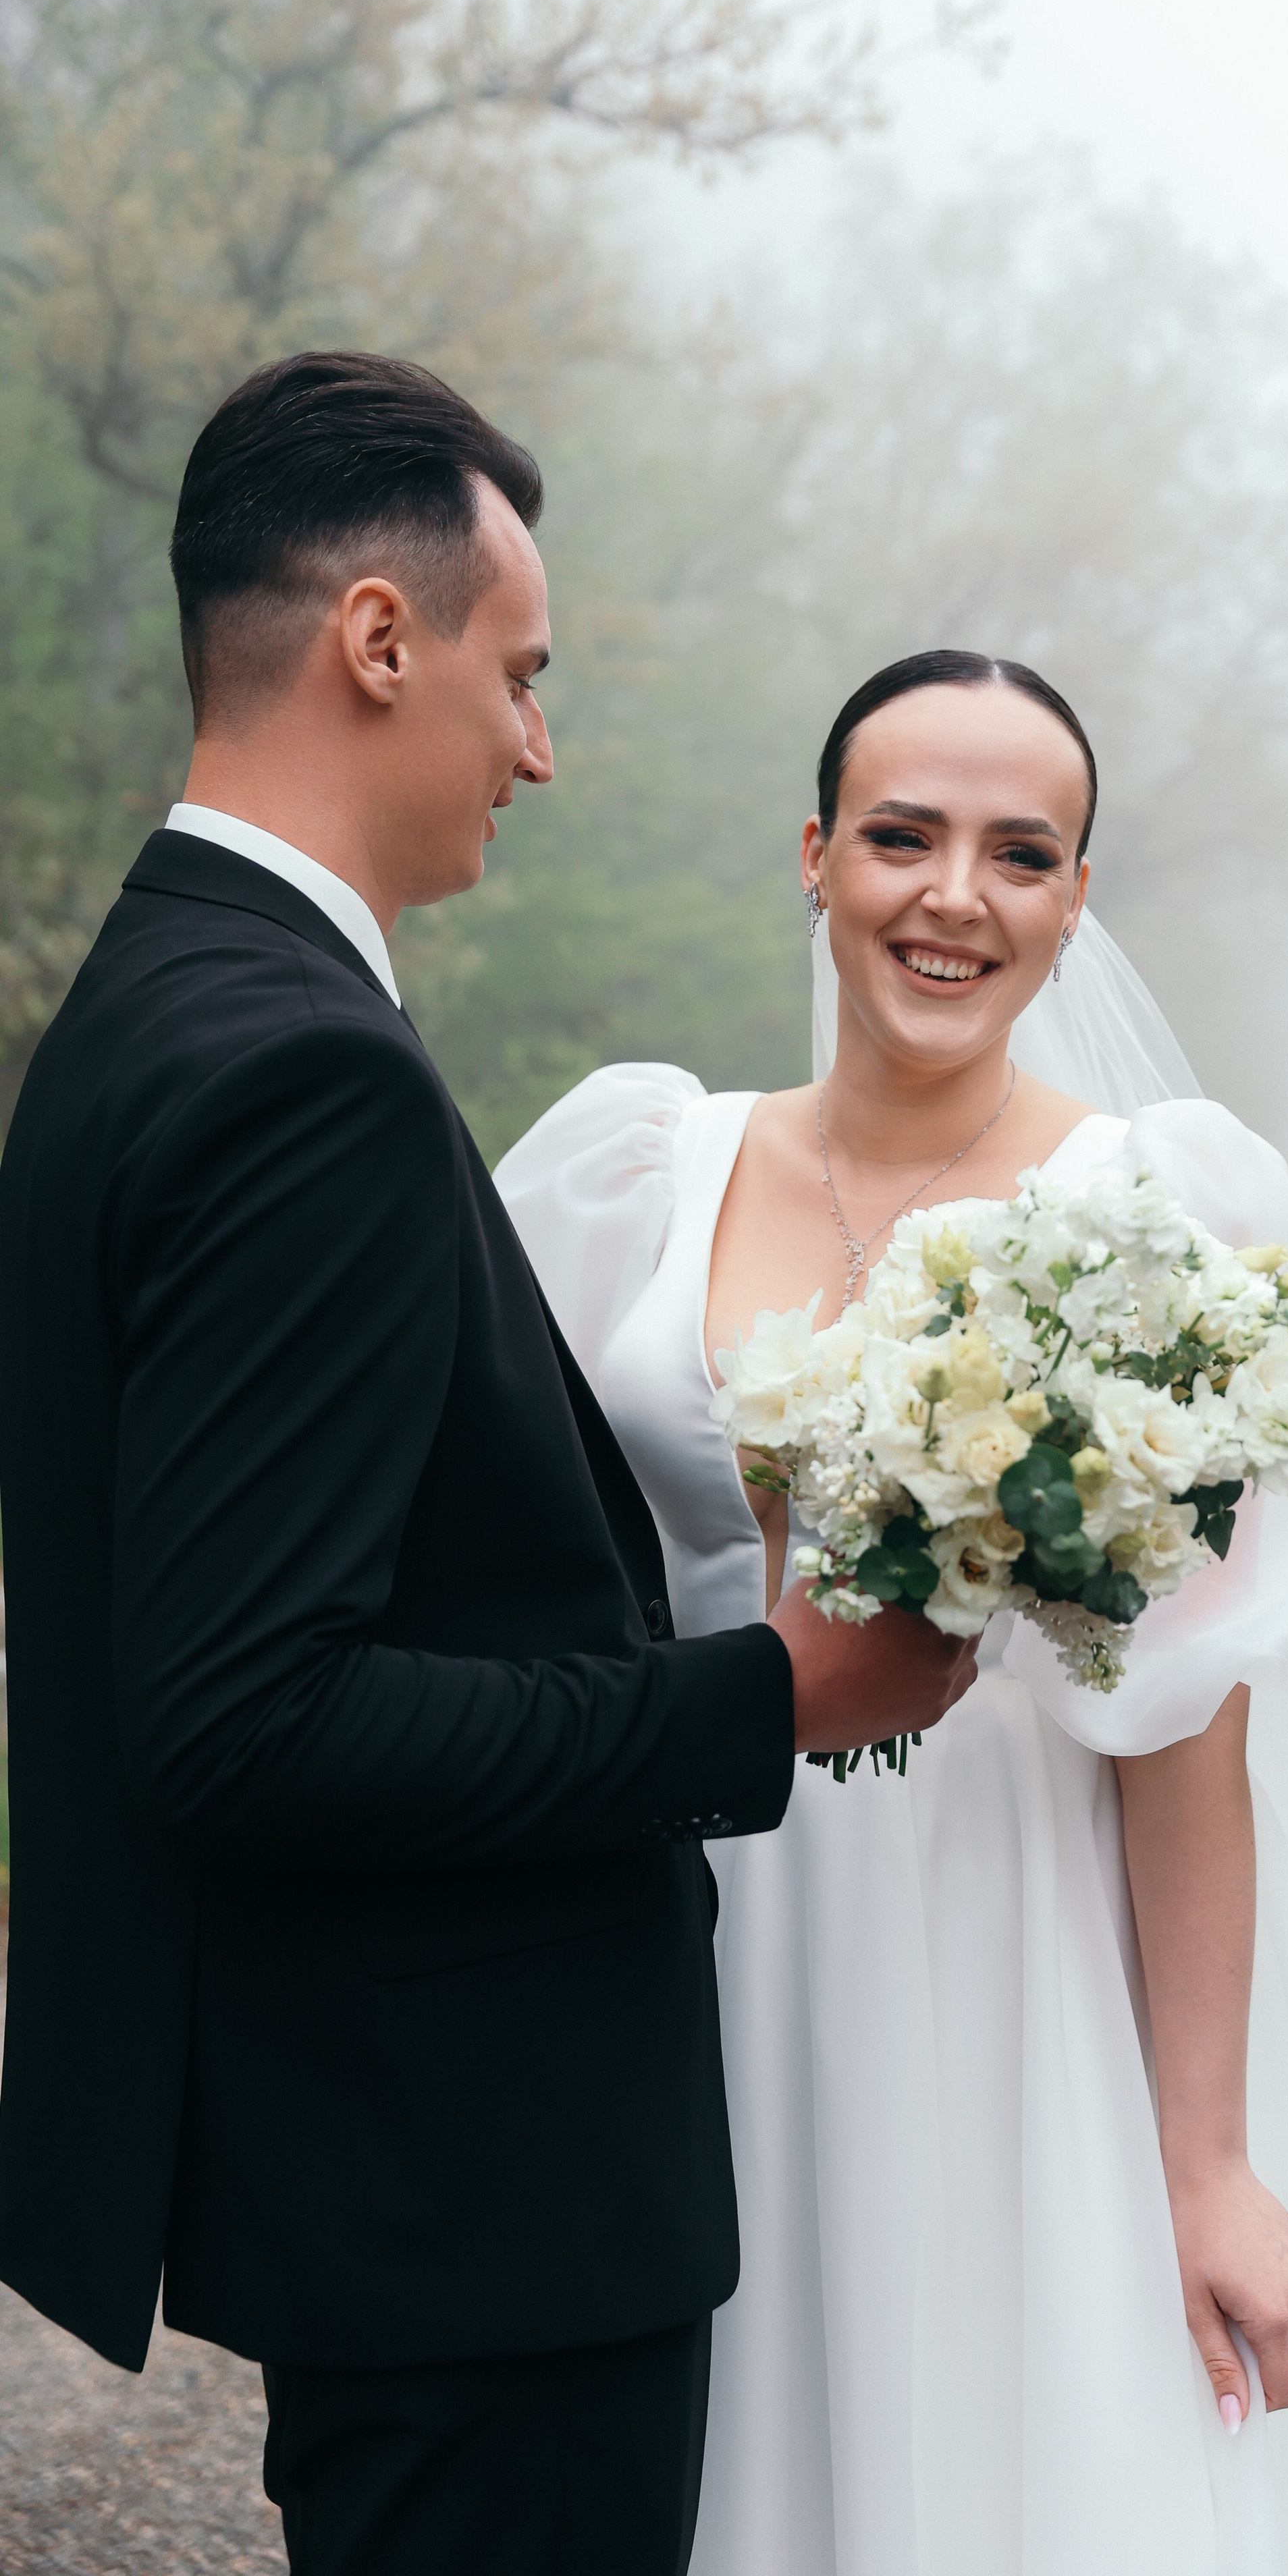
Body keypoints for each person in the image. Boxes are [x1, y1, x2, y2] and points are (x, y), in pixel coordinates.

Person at [500, 650, 1288, 2575]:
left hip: (1017, 1935)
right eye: (901, 837)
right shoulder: (635, 1174)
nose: (954, 896)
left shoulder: (1156, 1211)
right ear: (815, 857)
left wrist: (1206, 2157)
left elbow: (1186, 1724)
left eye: (1021, 854)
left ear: (1077, 899)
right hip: (698, 1931)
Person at [0, 358, 977, 2576]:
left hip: (384, 2167)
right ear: (377, 640)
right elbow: (250, 1715)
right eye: (521, 677)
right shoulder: (300, 1072)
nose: (540, 749)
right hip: (481, 2196)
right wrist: (770, 1696)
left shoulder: (150, 1001)